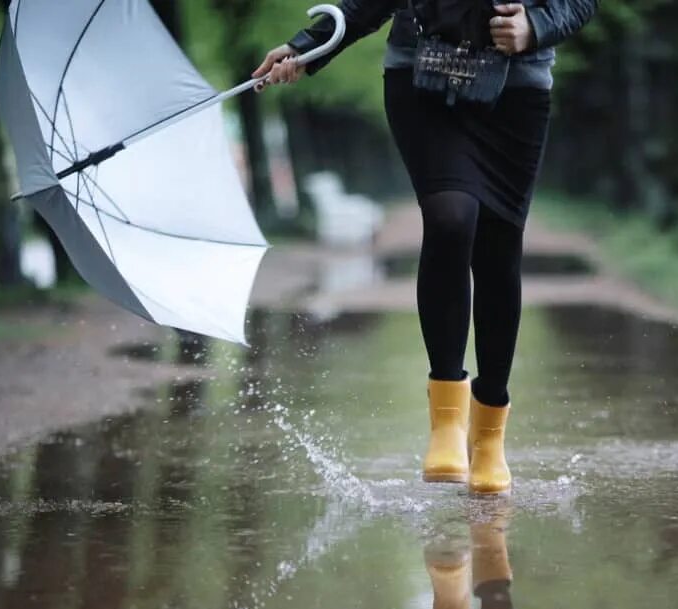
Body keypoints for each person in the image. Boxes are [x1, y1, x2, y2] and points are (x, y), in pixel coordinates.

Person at [256, 0, 597, 495]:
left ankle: (489, 437)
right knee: (450, 218)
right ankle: (446, 423)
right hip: (423, 78)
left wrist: (536, 26)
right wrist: (307, 46)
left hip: (515, 89)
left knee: (498, 251)